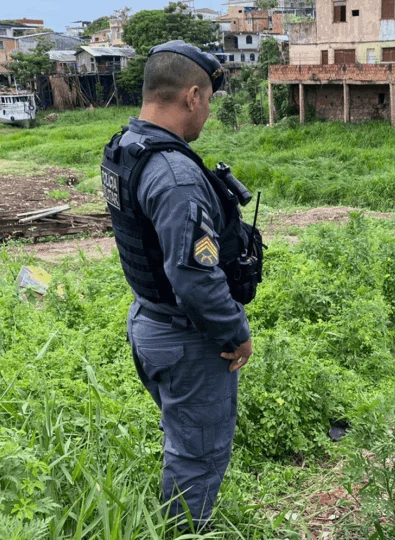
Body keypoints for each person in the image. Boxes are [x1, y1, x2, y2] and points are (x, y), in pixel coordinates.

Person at [100, 40, 263, 530]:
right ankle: (184, 530)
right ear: (192, 96)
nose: (208, 112)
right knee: (198, 455)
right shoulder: (174, 175)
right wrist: (236, 332)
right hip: (186, 337)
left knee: (184, 439)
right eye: (209, 100)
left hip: (149, 319)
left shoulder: (127, 147)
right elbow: (195, 277)